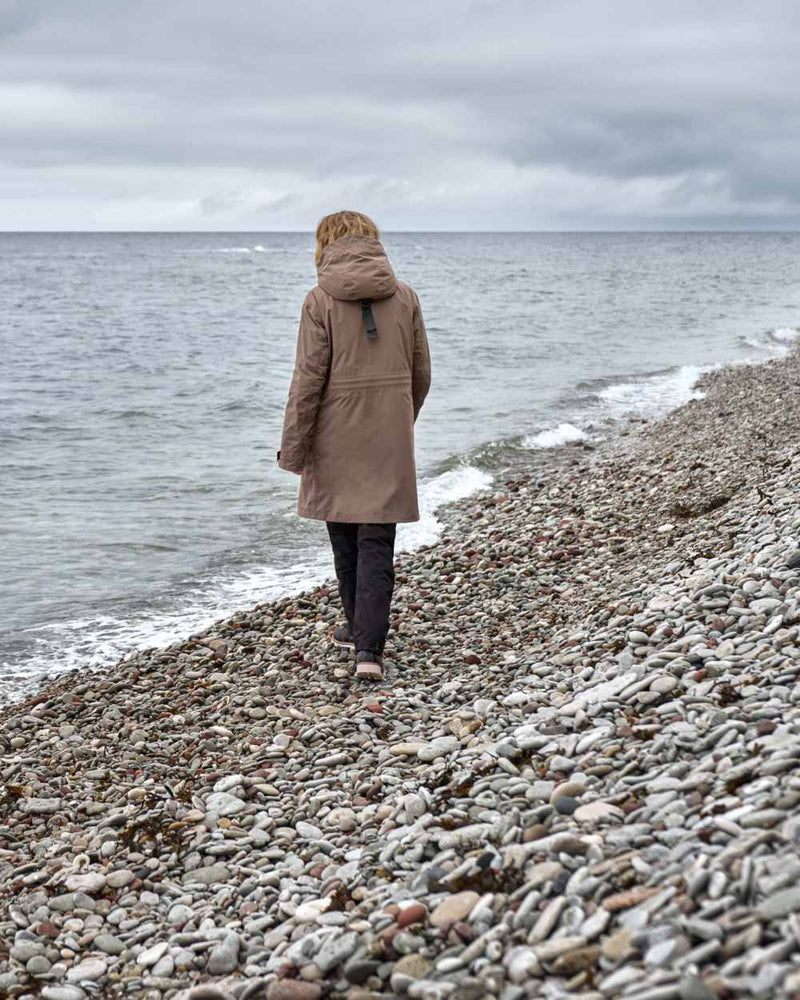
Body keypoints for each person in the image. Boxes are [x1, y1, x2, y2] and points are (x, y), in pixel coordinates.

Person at [277, 211, 431, 681]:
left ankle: (361, 635)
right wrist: (399, 419)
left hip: (333, 435)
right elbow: (421, 373)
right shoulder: (404, 296)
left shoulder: (319, 299)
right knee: (378, 540)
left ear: (324, 245)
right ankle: (368, 647)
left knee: (344, 534)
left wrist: (295, 448)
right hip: (388, 434)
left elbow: (308, 380)